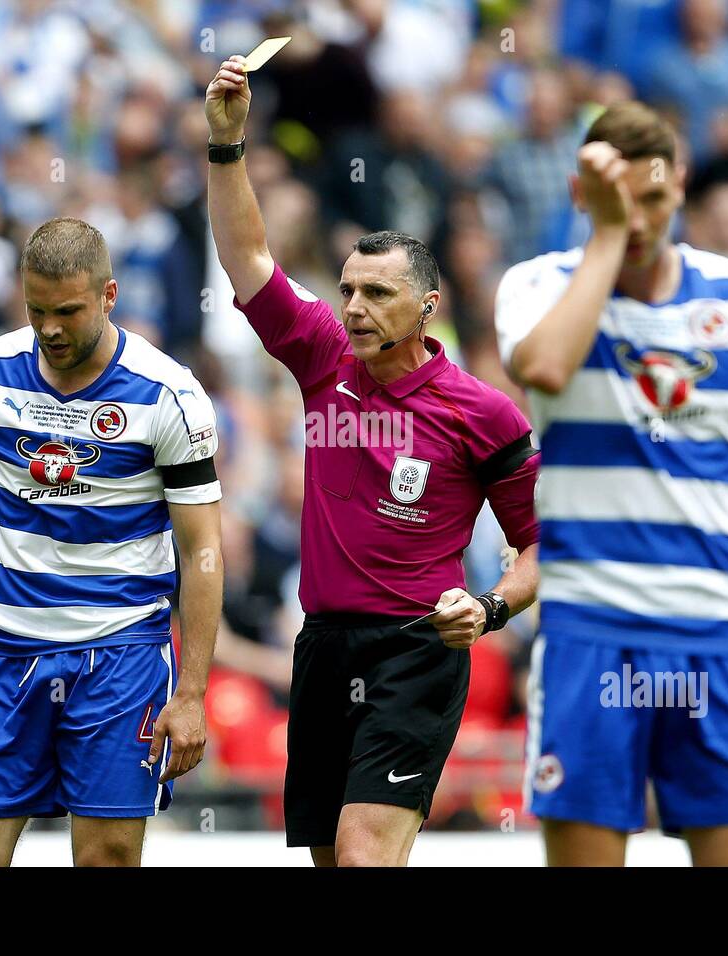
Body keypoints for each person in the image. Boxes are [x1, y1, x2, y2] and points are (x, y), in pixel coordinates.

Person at [205, 55, 541, 866]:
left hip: (415, 650)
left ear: (427, 307)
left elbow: (541, 545)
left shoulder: (484, 412)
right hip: (322, 646)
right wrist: (226, 147)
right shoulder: (324, 358)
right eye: (348, 290)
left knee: (363, 857)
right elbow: (249, 260)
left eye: (377, 295)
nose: (354, 308)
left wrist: (492, 609)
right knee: (332, 861)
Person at [497, 101, 728, 866]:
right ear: (580, 191)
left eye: (654, 198)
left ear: (681, 185)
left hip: (721, 634)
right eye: (624, 199)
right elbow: (546, 368)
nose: (643, 218)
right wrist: (610, 233)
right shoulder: (534, 286)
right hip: (592, 632)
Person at [0, 217, 223, 866]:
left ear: (109, 295)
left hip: (120, 653)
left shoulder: (167, 394)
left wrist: (191, 692)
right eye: (36, 308)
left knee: (105, 858)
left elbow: (203, 553)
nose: (49, 328)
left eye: (67, 311)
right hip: (7, 651)